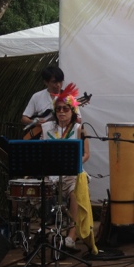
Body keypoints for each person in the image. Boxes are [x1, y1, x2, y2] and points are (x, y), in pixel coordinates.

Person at [41, 83, 90, 250]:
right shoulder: (46, 128)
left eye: (65, 109)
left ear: (72, 111)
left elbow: (86, 154)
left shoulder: (79, 129)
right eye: (58, 109)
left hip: (71, 173)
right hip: (51, 173)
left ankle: (71, 235)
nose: (61, 112)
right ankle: (42, 231)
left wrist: (74, 163)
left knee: (76, 192)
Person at [22, 66, 65, 132]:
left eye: (60, 81)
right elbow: (24, 118)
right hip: (42, 134)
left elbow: (78, 120)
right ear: (46, 82)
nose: (58, 85)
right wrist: (34, 122)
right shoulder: (37, 96)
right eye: (54, 82)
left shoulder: (68, 97)